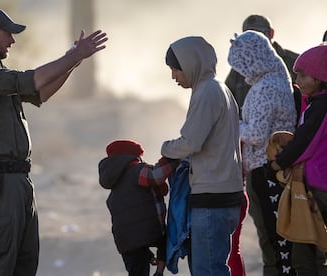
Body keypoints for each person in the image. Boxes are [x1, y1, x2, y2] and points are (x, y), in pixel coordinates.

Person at [0, 8, 107, 276]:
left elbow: (41, 92)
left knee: (25, 263)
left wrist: (73, 62)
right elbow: (32, 79)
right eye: (8, 35)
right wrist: (73, 55)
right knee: (0, 263)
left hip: (16, 179)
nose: (12, 42)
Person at [161, 36, 244, 276]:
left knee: (208, 270)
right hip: (223, 193)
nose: (174, 76)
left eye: (176, 69)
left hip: (212, 198)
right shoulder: (219, 88)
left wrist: (165, 149)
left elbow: (191, 142)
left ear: (190, 64)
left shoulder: (207, 92)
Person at [225, 14, 300, 276]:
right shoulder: (273, 75)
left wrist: (230, 126)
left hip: (267, 168)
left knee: (275, 240)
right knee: (276, 237)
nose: (241, 70)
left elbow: (256, 133)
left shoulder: (268, 84)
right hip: (271, 166)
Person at [269, 45, 327, 275]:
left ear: (321, 76)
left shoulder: (320, 106)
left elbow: (305, 142)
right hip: (316, 183)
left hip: (317, 187)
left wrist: (277, 163)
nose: (297, 80)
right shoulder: (315, 103)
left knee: (307, 249)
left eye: (303, 75)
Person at [98, 139, 179, 276]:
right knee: (165, 242)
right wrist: (174, 157)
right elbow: (155, 176)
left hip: (126, 239)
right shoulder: (135, 170)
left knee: (136, 270)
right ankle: (159, 272)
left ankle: (158, 271)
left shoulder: (116, 182)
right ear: (130, 156)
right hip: (147, 232)